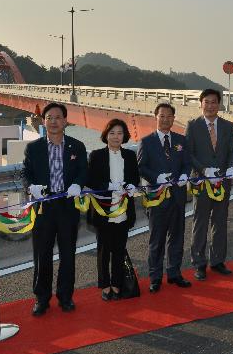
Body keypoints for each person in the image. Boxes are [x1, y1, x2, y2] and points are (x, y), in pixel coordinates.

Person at [22, 102, 88, 315]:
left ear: (65, 121)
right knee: (42, 254)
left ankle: (65, 296)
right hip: (43, 206)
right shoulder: (34, 148)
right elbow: (25, 173)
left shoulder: (77, 146)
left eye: (58, 117)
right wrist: (31, 187)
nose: (53, 121)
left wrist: (78, 184)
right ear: (43, 121)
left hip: (68, 206)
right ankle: (42, 298)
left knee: (68, 253)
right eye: (49, 118)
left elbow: (83, 171)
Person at [138, 103, 192, 293]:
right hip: (157, 197)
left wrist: (185, 175)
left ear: (173, 118)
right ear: (156, 117)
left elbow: (187, 163)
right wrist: (156, 178)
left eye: (169, 116)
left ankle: (174, 273)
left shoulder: (181, 140)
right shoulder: (146, 142)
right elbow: (141, 167)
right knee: (157, 239)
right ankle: (155, 277)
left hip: (177, 196)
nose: (165, 119)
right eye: (162, 116)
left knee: (177, 237)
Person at [186, 89, 233, 281]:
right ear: (201, 104)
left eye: (214, 102)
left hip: (223, 182)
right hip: (201, 182)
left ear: (219, 104)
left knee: (220, 221)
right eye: (206, 102)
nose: (210, 106)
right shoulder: (193, 125)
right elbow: (188, 153)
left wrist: (231, 167)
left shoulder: (227, 126)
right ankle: (199, 263)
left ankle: (217, 261)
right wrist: (203, 170)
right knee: (200, 223)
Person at [86, 118, 139, 301]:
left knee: (119, 249)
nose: (116, 137)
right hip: (103, 211)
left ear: (124, 136)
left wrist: (132, 186)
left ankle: (117, 284)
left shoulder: (130, 155)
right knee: (103, 251)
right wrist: (107, 186)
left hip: (123, 210)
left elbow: (135, 178)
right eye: (112, 133)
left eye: (120, 133)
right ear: (106, 135)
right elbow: (90, 180)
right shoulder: (96, 155)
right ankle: (105, 285)